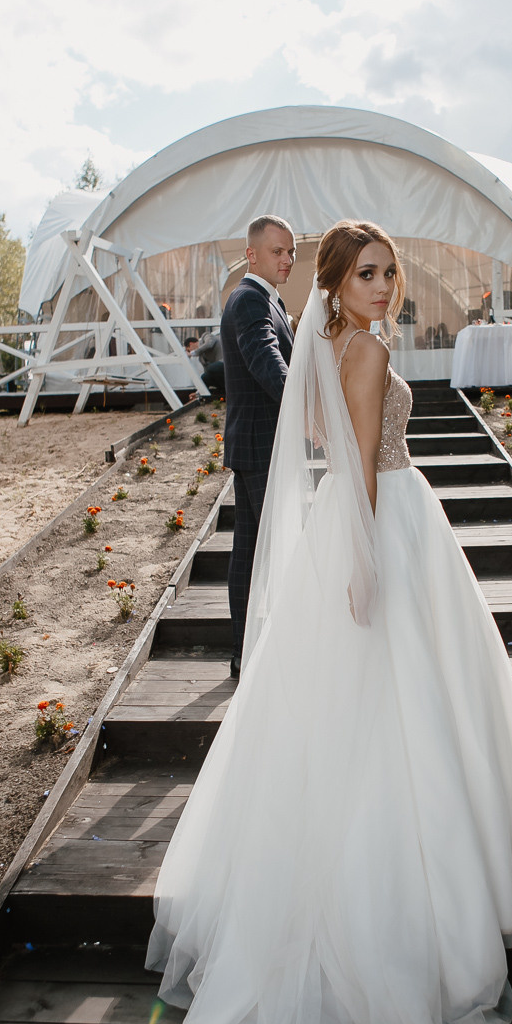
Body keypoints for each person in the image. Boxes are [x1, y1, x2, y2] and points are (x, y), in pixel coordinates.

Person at [146, 220, 512, 1024]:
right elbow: (359, 471)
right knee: (409, 717)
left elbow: (324, 440)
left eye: (389, 273)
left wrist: (355, 541)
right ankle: (406, 923)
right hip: (389, 527)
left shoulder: (336, 344)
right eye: (367, 274)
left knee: (384, 719)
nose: (385, 287)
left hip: (370, 524)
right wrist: (369, 561)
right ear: (335, 286)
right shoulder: (367, 348)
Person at [219, 215, 295, 679]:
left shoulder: (264, 299)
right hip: (262, 445)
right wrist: (313, 411)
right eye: (276, 251)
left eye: (290, 251)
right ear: (252, 254)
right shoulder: (249, 301)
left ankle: (245, 654)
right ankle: (257, 654)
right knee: (270, 551)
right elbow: (268, 363)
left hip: (255, 444)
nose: (286, 258)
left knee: (249, 553)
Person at [193, 326, 225, 396]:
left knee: (212, 368)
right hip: (218, 373)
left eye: (189, 349)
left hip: (224, 364)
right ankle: (205, 396)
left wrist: (194, 352)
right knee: (204, 377)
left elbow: (209, 344)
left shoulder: (206, 336)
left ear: (191, 344)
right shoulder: (201, 358)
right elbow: (207, 371)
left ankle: (226, 390)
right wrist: (197, 392)